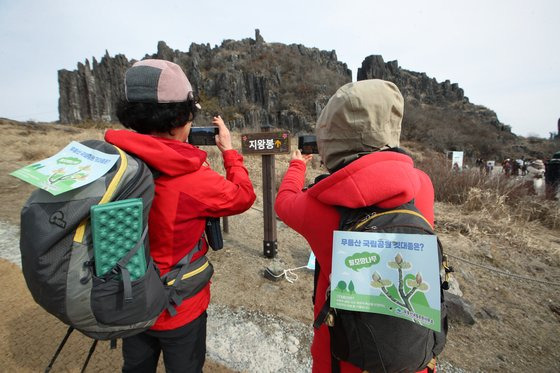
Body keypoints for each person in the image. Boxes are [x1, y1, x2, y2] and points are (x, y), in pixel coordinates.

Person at [275, 79, 438, 373]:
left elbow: (284, 202)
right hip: (414, 358)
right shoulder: (422, 186)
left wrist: (298, 165)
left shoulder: (317, 205)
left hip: (344, 360)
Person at [105, 59, 256, 372]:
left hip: (129, 298)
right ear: (179, 118)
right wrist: (229, 152)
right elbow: (243, 197)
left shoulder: (112, 160)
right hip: (178, 308)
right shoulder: (192, 179)